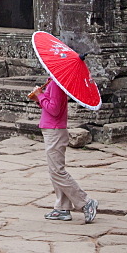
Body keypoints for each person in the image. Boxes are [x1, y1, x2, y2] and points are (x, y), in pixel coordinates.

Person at [29, 77, 98, 223]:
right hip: (52, 129)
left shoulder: (56, 83)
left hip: (54, 131)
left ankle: (85, 202)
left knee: (57, 172)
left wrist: (40, 95)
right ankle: (62, 207)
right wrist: (39, 97)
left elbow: (54, 109)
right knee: (55, 171)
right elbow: (53, 105)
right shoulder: (53, 82)